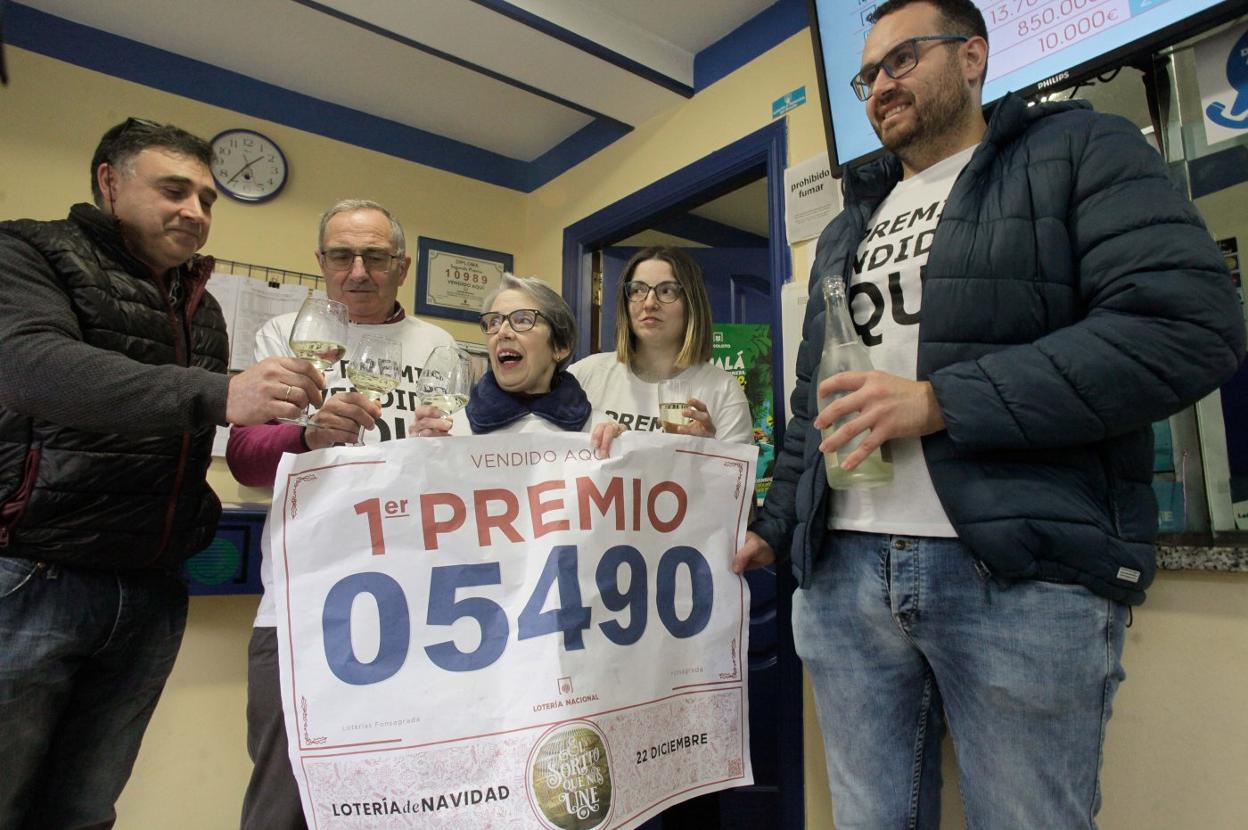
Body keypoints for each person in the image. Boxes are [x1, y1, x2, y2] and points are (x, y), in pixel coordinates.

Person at [732, 1, 1246, 827]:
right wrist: (777, 521)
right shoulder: (844, 227)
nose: (880, 87)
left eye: (903, 60)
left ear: (973, 57)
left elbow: (1186, 327)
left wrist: (942, 403)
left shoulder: (1077, 150)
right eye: (868, 75)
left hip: (1018, 577)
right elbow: (813, 403)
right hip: (845, 580)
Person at [0, 118, 324, 828]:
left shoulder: (200, 306)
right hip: (33, 578)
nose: (195, 212)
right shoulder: (27, 251)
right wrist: (221, 394)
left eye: (207, 199)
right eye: (174, 190)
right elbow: (31, 369)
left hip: (150, 589)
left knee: (84, 808)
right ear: (110, 183)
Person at [226, 199, 455, 830]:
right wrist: (307, 437)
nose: (358, 271)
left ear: (401, 267)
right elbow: (245, 459)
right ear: (321, 264)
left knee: (403, 793)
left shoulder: (437, 347)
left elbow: (456, 478)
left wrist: (443, 453)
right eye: (341, 256)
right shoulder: (286, 337)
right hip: (304, 603)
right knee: (286, 795)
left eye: (376, 257)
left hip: (420, 606)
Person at [415, 273, 624, 447]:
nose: (503, 332)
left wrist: (624, 448)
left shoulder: (598, 431)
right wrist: (421, 450)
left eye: (523, 320)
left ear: (561, 346)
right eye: (494, 321)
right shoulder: (449, 428)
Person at [568, 246, 752, 443]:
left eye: (667, 291)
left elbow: (736, 472)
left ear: (691, 304)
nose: (649, 303)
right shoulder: (583, 375)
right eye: (638, 290)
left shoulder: (723, 390)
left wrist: (708, 450)